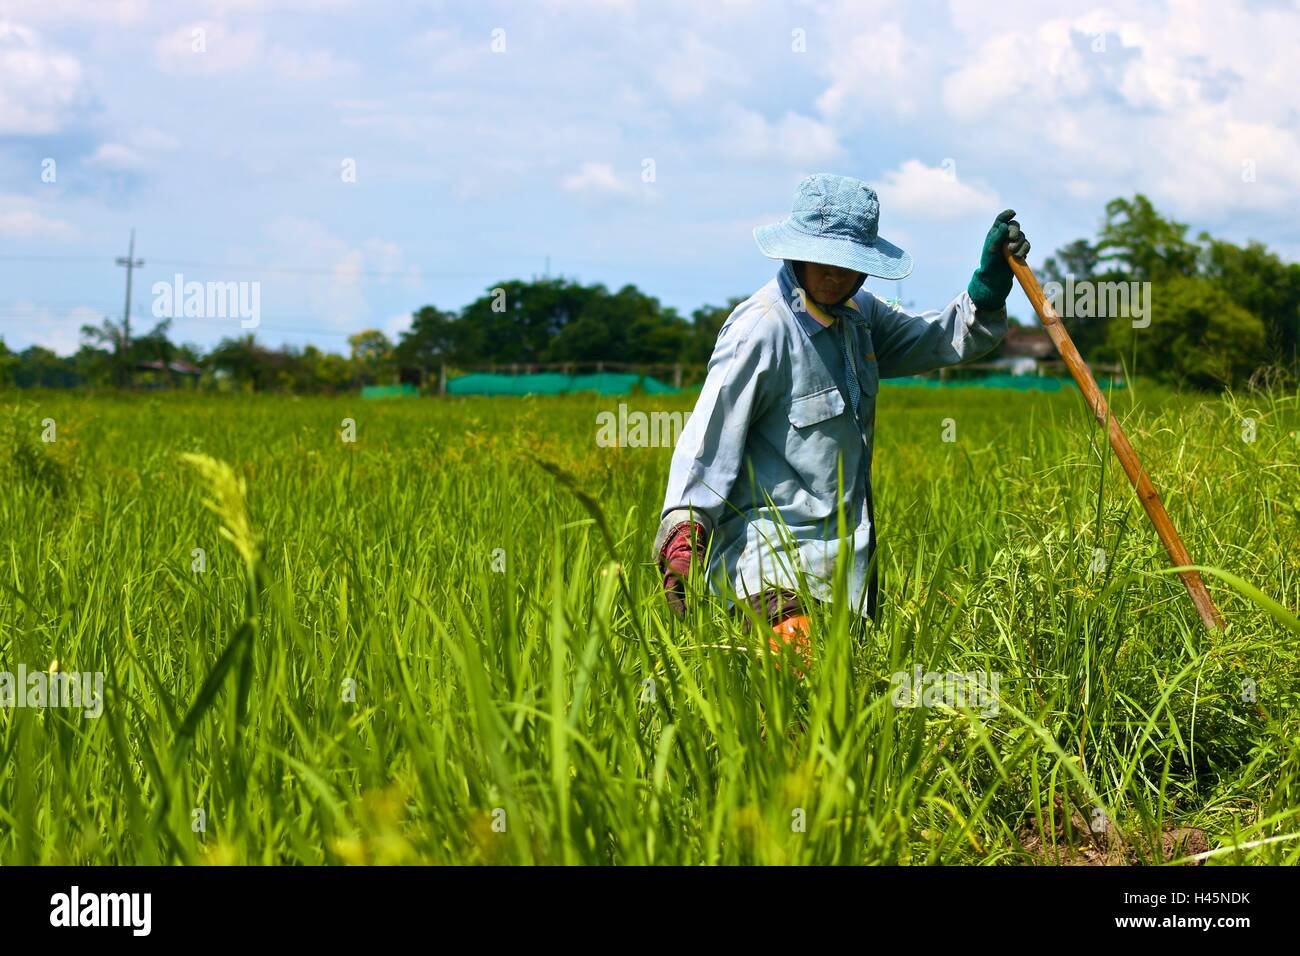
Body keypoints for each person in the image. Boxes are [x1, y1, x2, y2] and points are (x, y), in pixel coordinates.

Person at [653, 173, 1029, 670]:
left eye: (847, 265)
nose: (834, 276)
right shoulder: (761, 331)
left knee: (829, 715)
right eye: (822, 261)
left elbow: (936, 339)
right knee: (802, 686)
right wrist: (685, 530)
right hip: (768, 566)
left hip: (843, 570)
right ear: (796, 253)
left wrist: (986, 290)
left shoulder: (859, 316)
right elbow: (708, 442)